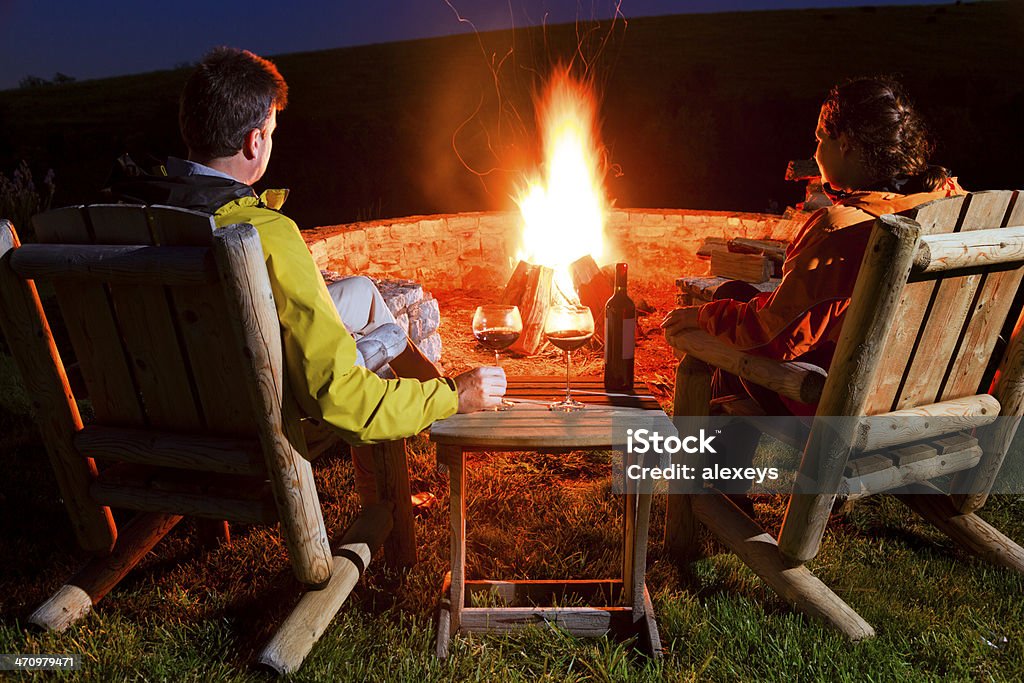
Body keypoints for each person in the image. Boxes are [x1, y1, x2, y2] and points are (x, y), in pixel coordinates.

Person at [109, 47, 506, 503]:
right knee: (386, 339)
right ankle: (443, 415)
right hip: (256, 422)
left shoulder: (133, 215)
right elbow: (339, 399)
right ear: (254, 142)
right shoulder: (267, 234)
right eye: (272, 133)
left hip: (171, 406)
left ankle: (441, 402)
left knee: (362, 293)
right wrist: (450, 396)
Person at [660, 76, 964, 498]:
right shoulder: (948, 204)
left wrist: (701, 316)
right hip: (934, 398)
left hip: (849, 411)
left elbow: (773, 338)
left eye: (821, 138)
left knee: (726, 350)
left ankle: (709, 497)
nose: (813, 151)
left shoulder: (843, 230)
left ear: (849, 145)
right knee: (739, 295)